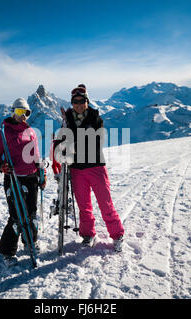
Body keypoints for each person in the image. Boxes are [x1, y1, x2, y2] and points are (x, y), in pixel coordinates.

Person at [52, 85, 125, 252]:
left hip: (96, 166)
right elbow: (60, 141)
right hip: (77, 169)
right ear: (72, 103)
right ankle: (88, 234)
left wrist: (72, 146)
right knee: (84, 205)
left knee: (105, 203)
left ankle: (117, 235)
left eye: (82, 101)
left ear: (87, 101)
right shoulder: (67, 120)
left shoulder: (95, 118)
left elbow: (95, 141)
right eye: (75, 101)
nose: (78, 104)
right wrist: (61, 147)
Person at [0, 98, 47, 267]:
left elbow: (36, 156)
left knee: (31, 213)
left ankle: (30, 242)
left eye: (26, 113)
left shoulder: (30, 131)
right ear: (13, 111)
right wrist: (1, 165)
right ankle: (8, 251)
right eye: (20, 112)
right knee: (16, 215)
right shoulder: (3, 131)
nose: (23, 116)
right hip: (13, 176)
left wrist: (41, 174)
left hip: (31, 177)